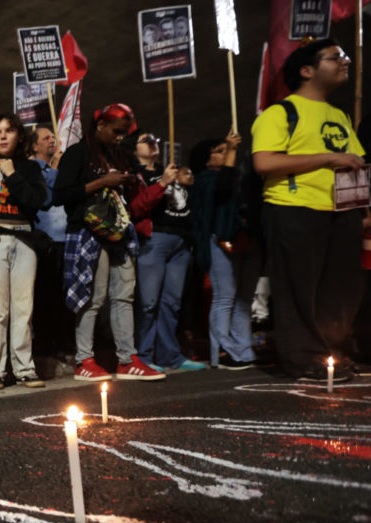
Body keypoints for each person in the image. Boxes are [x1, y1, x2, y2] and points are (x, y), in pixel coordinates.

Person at [251, 38, 366, 382]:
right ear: (306, 70)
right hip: (294, 208)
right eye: (335, 57)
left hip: (342, 212)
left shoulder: (339, 115)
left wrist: (364, 209)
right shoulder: (280, 112)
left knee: (340, 288)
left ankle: (331, 353)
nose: (345, 61)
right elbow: (265, 162)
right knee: (298, 288)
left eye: (345, 56)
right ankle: (303, 358)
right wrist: (329, 157)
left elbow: (355, 163)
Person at [53, 103, 166, 382]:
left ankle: (128, 360)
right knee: (93, 298)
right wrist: (104, 181)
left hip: (119, 232)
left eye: (124, 133)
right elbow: (59, 195)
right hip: (87, 232)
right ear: (100, 126)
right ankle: (84, 360)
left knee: (124, 296)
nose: (120, 137)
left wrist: (125, 181)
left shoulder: (119, 154)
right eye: (116, 131)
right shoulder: (77, 154)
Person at [0, 114, 49, 390]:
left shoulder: (29, 169)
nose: (3, 136)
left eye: (8, 131)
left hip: (24, 241)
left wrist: (11, 174)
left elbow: (37, 201)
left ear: (19, 135)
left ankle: (24, 369)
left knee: (23, 308)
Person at [128, 131, 207, 371]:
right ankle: (144, 356)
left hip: (180, 242)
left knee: (171, 302)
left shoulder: (171, 172)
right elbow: (137, 207)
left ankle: (170, 355)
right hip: (155, 239)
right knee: (149, 302)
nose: (152, 142)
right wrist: (162, 183)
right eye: (145, 140)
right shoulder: (136, 176)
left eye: (154, 139)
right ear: (134, 149)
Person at [191, 131, 257, 370]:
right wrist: (231, 150)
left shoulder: (234, 177)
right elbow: (222, 188)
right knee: (225, 297)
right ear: (205, 159)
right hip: (218, 241)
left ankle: (243, 349)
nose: (225, 155)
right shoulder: (205, 180)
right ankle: (222, 350)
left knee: (242, 299)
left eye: (224, 150)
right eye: (219, 152)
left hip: (240, 241)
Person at [31, 125, 75, 361]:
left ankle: (62, 343)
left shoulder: (55, 169)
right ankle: (45, 345)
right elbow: (48, 194)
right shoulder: (34, 170)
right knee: (45, 296)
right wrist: (57, 169)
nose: (52, 141)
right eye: (45, 138)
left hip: (63, 240)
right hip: (45, 240)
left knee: (63, 296)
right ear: (35, 145)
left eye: (53, 137)